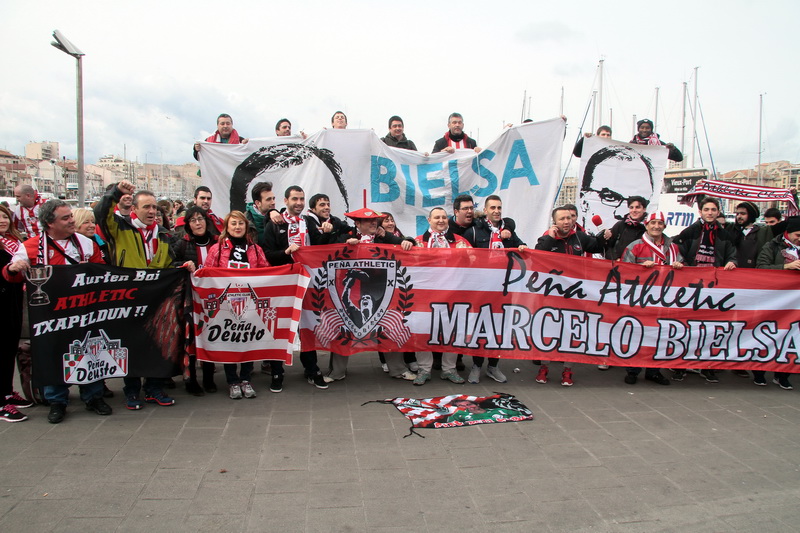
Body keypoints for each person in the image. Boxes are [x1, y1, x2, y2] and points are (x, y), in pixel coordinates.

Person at [5, 200, 109, 423]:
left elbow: (101, 271)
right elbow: (11, 273)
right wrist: (14, 268)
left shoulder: (86, 243)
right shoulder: (31, 246)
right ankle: (57, 401)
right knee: (53, 354)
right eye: (65, 218)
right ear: (49, 223)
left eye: (71, 216)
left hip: (84, 311)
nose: (72, 220)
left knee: (90, 350)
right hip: (50, 315)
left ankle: (93, 396)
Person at [95, 180, 177, 409]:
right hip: (127, 299)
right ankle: (131, 390)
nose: (152, 212)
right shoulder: (120, 228)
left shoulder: (163, 235)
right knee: (129, 345)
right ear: (134, 209)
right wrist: (115, 192)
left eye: (155, 208)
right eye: (146, 207)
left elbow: (169, 264)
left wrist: (183, 266)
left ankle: (153, 388)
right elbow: (101, 213)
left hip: (155, 298)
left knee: (155, 344)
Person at [324, 207, 414, 383]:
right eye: (367, 221)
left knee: (389, 329)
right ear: (357, 224)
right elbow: (327, 251)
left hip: (380, 293)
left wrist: (406, 242)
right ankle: (336, 372)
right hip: (352, 292)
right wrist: (345, 245)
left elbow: (407, 244)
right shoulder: (346, 236)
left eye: (374, 220)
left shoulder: (385, 237)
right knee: (344, 329)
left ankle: (398, 369)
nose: (373, 223)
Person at [262, 186, 329, 390]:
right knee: (279, 328)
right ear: (286, 200)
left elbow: (318, 248)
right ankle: (276, 372)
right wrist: (286, 251)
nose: (298, 202)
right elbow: (268, 254)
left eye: (301, 199)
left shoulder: (308, 221)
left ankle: (312, 369)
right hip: (283, 283)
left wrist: (326, 233)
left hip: (307, 281)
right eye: (294, 199)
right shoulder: (274, 222)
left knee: (307, 326)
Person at [534, 206, 607, 386]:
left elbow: (598, 245)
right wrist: (551, 238)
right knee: (549, 331)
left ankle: (568, 370)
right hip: (551, 295)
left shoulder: (579, 237)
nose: (566, 222)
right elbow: (536, 255)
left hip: (574, 295)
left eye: (569, 218)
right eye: (562, 219)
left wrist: (605, 235)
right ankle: (544, 367)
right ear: (555, 222)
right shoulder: (546, 239)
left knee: (571, 332)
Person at [671, 197, 736, 383]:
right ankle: (680, 365)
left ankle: (707, 365)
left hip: (714, 286)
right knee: (686, 327)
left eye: (713, 209)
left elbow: (732, 254)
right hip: (691, 285)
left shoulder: (724, 234)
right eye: (706, 209)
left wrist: (732, 262)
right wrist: (679, 261)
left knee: (710, 328)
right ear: (700, 212)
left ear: (717, 212)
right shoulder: (691, 231)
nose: (709, 212)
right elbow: (677, 249)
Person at [204, 211, 269, 400]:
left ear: (246, 227)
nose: (238, 227)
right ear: (226, 226)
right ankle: (232, 381)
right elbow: (208, 273)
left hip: (249, 303)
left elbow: (266, 271)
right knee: (230, 342)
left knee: (248, 341)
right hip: (226, 304)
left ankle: (246, 379)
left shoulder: (255, 249)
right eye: (233, 224)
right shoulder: (217, 249)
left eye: (241, 223)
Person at [463, 195, 526, 384]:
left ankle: (493, 366)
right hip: (481, 288)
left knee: (499, 327)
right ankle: (476, 365)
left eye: (499, 207)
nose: (497, 211)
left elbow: (521, 248)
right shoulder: (474, 231)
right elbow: (463, 257)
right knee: (480, 327)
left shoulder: (508, 230)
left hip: (504, 288)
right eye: (493, 208)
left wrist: (521, 246)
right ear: (486, 209)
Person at [620, 211, 683, 386]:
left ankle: (654, 371)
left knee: (659, 335)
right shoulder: (636, 246)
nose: (656, 226)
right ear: (646, 225)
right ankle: (633, 370)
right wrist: (639, 268)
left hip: (664, 298)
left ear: (664, 226)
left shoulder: (673, 247)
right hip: (640, 298)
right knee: (637, 334)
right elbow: (624, 270)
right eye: (653, 223)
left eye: (660, 223)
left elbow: (682, 267)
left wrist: (679, 266)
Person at [410, 206, 470, 386]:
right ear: (429, 220)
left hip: (452, 294)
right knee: (422, 332)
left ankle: (449, 369)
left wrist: (466, 255)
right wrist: (406, 246)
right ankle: (424, 369)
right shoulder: (418, 242)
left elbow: (475, 260)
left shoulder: (459, 241)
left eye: (444, 217)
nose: (441, 220)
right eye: (437, 217)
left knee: (451, 332)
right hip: (425, 296)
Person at [171, 206, 219, 395]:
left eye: (201, 219)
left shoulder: (217, 242)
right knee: (190, 339)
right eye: (193, 220)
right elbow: (170, 264)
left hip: (212, 298)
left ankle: (209, 378)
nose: (198, 223)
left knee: (210, 337)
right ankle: (190, 379)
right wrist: (181, 265)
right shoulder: (181, 244)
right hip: (190, 299)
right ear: (188, 224)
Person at [754, 217, 800, 390]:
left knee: (791, 338)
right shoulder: (772, 246)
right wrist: (786, 267)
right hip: (772, 301)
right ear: (788, 232)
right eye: (798, 235)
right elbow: (761, 267)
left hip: (794, 303)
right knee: (767, 335)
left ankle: (783, 375)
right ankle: (759, 372)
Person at [0, 204, 34, 422]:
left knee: (8, 347)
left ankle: (7, 391)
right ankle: (2, 403)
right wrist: (10, 270)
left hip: (11, 299)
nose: (2, 221)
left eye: (4, 217)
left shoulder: (12, 242)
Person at [578, 145, 656, 233]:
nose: (623, 213)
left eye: (639, 205)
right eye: (611, 198)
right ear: (584, 202)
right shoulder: (577, 241)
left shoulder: (648, 242)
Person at [603, 196, 649, 260]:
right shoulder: (620, 225)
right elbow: (607, 247)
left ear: (644, 209)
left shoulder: (648, 227)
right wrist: (615, 259)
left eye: (637, 207)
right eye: (631, 207)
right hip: (617, 266)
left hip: (638, 266)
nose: (634, 210)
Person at [446, 398, 523, 424]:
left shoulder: (499, 410)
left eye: (469, 404)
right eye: (462, 406)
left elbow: (521, 415)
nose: (466, 407)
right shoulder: (460, 414)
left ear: (477, 405)